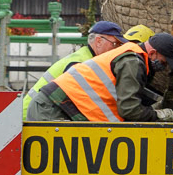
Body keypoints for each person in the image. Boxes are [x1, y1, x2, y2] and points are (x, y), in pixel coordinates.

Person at [24, 32, 173, 122]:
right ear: (152, 53)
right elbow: (129, 110)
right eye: (163, 62)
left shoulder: (130, 55)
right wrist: (159, 115)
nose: (163, 67)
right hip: (53, 109)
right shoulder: (132, 62)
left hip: (58, 106)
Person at [22, 22, 152, 115]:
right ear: (99, 41)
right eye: (115, 44)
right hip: (34, 115)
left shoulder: (86, 57)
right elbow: (78, 100)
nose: (117, 49)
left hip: (36, 112)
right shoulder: (82, 62)